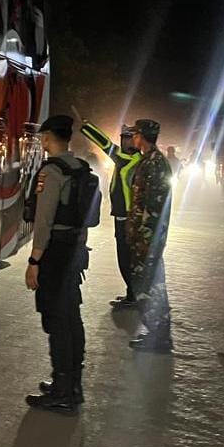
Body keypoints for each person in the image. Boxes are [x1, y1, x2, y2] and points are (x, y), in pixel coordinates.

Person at [23, 115, 92, 413]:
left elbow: (44, 221)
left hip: (55, 254)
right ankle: (71, 383)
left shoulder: (52, 171)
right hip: (75, 249)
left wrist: (34, 260)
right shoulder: (81, 168)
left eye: (43, 137)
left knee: (57, 319)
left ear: (49, 137)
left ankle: (63, 391)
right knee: (71, 317)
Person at [74, 111, 141, 310]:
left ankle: (134, 294)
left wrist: (86, 126)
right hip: (127, 216)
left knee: (125, 258)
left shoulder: (128, 159)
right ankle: (133, 292)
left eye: (128, 138)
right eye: (123, 138)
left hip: (126, 218)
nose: (124, 142)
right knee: (128, 257)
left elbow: (105, 144)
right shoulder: (135, 159)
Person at [128, 119, 173, 352]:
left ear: (141, 136)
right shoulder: (151, 160)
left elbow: (153, 205)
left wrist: (143, 236)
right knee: (151, 283)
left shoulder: (154, 163)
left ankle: (158, 337)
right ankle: (158, 334)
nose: (132, 138)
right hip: (146, 236)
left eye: (135, 134)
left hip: (148, 237)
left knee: (148, 285)